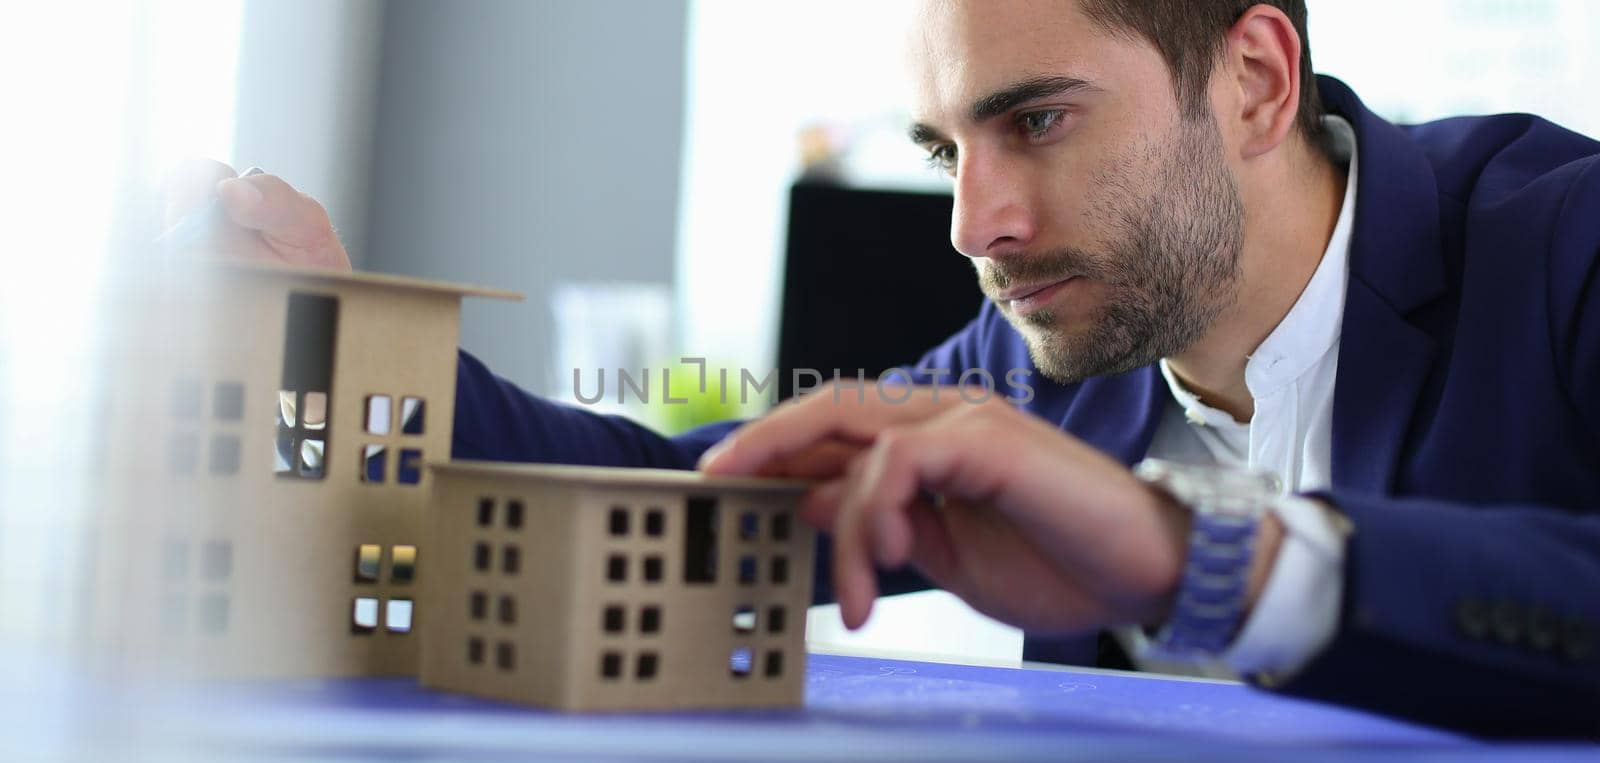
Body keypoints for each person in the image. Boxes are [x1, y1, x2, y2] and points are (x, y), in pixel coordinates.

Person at [168, 0, 1599, 737]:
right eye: (944, 151)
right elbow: (696, 495)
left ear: (1255, 82)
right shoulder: (1052, 352)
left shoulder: (1567, 250)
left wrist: (1194, 560)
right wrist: (347, 333)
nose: (976, 225)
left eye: (1036, 121)